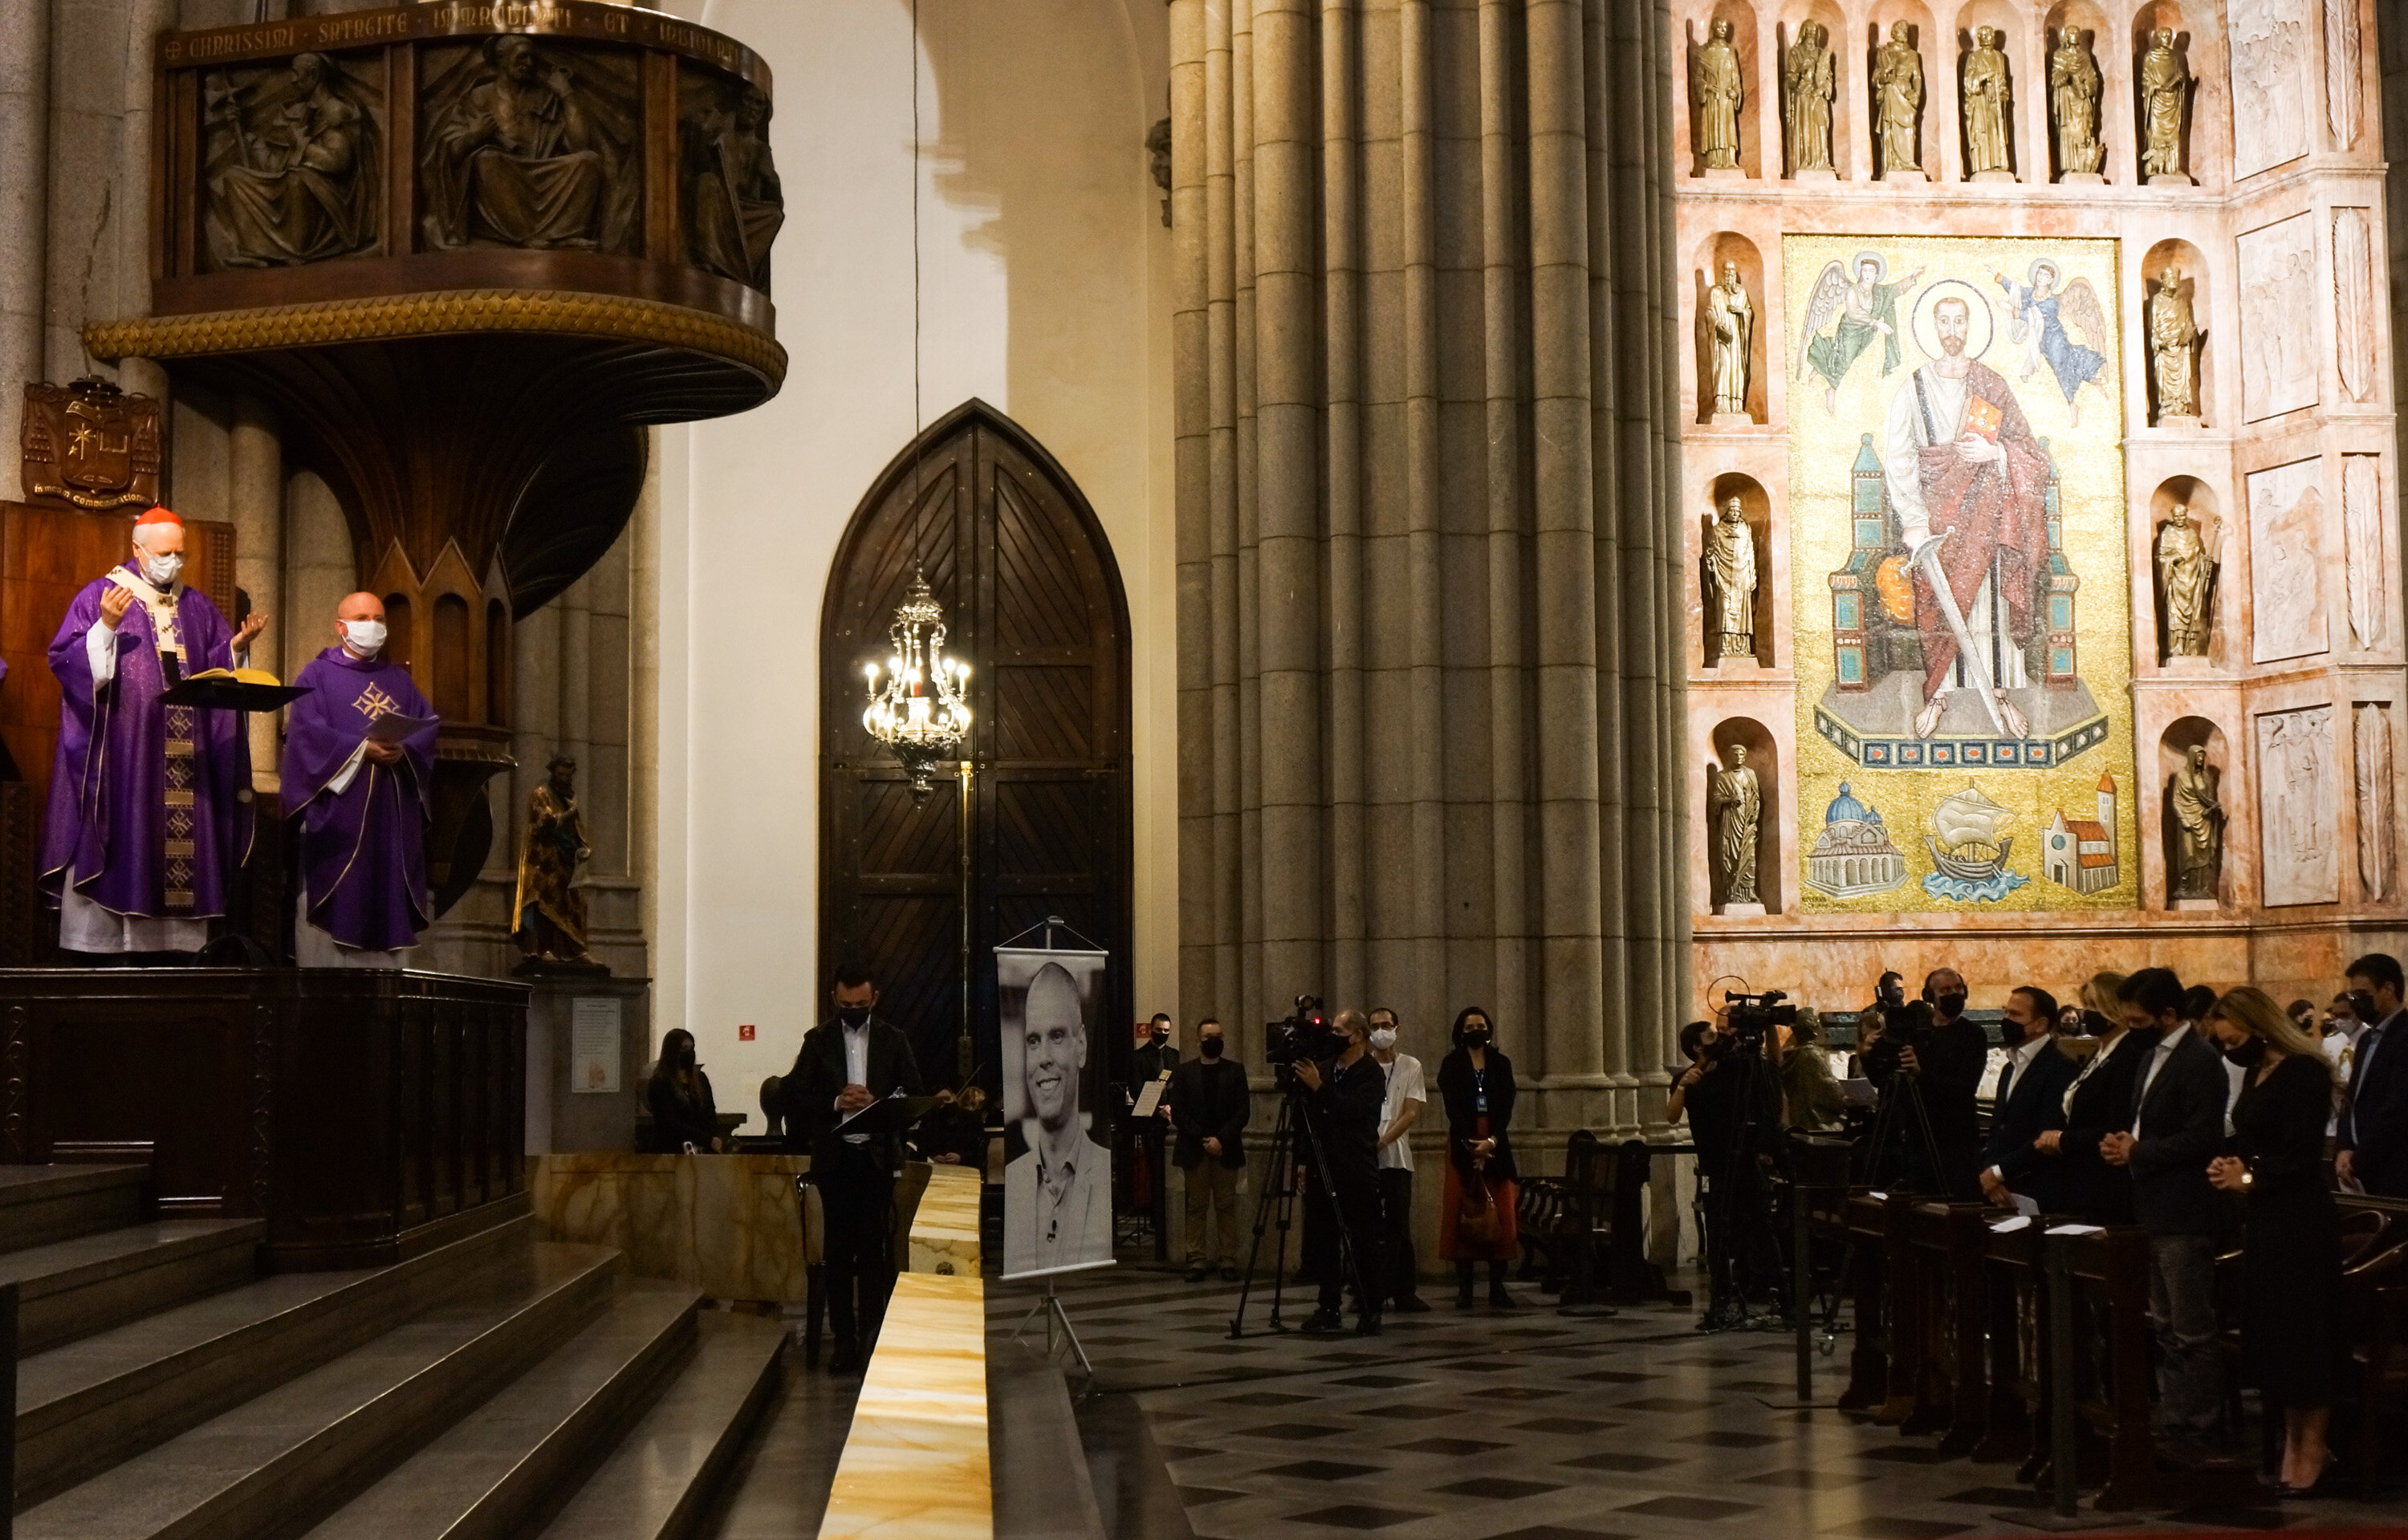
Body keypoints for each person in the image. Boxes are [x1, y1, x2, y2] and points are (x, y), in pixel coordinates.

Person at [41, 506, 262, 958]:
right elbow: (66, 662)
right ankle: (108, 951)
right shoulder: (101, 595)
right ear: (138, 549)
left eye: (180, 553)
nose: (174, 562)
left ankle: (175, 956)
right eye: (165, 553)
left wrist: (235, 652)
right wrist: (104, 626)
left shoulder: (198, 606)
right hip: (127, 756)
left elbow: (216, 675)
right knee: (128, 834)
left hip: (187, 761)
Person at [1882, 291, 2052, 742]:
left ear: (1970, 327)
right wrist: (1913, 518)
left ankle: (1996, 691)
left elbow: (2033, 456)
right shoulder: (1913, 386)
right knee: (1938, 602)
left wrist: (1995, 452)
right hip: (1935, 518)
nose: (1953, 331)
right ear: (1933, 329)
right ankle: (1936, 695)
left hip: (1987, 515)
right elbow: (1899, 458)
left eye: (1960, 321)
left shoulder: (1992, 385)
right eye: (1945, 322)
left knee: (1987, 605)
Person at [2204, 986, 2346, 1496]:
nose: (2229, 1048)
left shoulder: (2303, 1072)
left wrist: (2249, 1177)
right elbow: (2252, 1141)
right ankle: (2290, 1441)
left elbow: (2301, 1152)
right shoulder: (2257, 1072)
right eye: (2223, 1042)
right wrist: (2231, 1166)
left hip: (2302, 1222)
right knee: (2275, 1336)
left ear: (2261, 1026)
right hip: (2266, 1221)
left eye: (2235, 1038)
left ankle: (2315, 1446)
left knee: (2306, 1336)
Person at [2101, 966, 2229, 1450]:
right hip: (2151, 1206)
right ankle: (2178, 1418)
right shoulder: (2149, 1057)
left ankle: (2202, 1425)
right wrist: (2123, 1143)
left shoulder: (2199, 1061)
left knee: (2191, 1328)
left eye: (2138, 1021)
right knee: (2166, 1327)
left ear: (2169, 1014)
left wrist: (2140, 1152)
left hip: (2184, 1211)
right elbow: (2146, 1124)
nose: (2131, 1030)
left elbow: (2203, 1138)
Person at [779, 961, 925, 1374]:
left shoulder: (893, 1040)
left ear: (874, 999)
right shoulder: (819, 1040)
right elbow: (791, 1095)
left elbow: (913, 1091)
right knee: (838, 1253)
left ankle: (873, 1338)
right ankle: (843, 1341)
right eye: (846, 1004)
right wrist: (836, 1102)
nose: (854, 1010)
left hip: (876, 1160)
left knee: (875, 1252)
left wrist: (877, 1100)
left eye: (861, 1004)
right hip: (836, 1160)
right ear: (835, 1000)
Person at [282, 593, 438, 965]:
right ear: (341, 627)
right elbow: (306, 733)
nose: (374, 626)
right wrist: (360, 749)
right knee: (336, 916)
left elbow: (427, 727)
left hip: (391, 820)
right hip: (340, 820)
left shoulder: (399, 680)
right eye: (363, 617)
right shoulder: (316, 675)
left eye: (380, 618)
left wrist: (407, 750)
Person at [1003, 963, 1114, 1278]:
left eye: (1057, 1036)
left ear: (1081, 1045)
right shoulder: (1015, 1181)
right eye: (1033, 1041)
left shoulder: (1103, 1174)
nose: (1044, 1058)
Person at [1291, 1009, 1385, 1334]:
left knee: (1363, 1241)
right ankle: (1328, 1306)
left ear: (1357, 1035)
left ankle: (1371, 1308)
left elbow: (1356, 1113)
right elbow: (1310, 1120)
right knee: (1324, 1240)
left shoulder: (1370, 1073)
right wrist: (1303, 1160)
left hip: (1355, 1167)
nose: (1334, 1035)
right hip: (1323, 1164)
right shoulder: (1327, 1069)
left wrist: (1320, 1088)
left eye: (1340, 1030)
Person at [2038, 972, 2148, 1224]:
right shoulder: (2100, 1053)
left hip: (2105, 1179)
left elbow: (2115, 1124)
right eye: (2085, 1005)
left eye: (2093, 1006)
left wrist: (2063, 1139)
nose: (2087, 1013)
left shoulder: (2128, 1055)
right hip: (2083, 1175)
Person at [1438, 1007, 1521, 1310]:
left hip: (1496, 1142)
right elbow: (1452, 1106)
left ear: (1489, 1030)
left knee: (1500, 1214)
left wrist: (1493, 1141)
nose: (1477, 1030)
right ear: (1461, 1031)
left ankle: (1497, 1287)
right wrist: (1471, 1145)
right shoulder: (1451, 1064)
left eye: (1481, 1025)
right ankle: (1465, 1289)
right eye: (1470, 1026)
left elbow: (1507, 1104)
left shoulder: (1501, 1064)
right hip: (1464, 1143)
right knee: (1464, 1214)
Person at [1979, 985, 2078, 1212]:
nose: (2006, 1020)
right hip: (2000, 1189)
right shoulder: (2008, 1068)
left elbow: (2046, 1137)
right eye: (2006, 1013)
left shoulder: (2060, 1069)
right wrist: (1989, 1174)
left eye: (2015, 1015)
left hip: (2036, 1189)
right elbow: (1998, 1130)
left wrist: (1998, 1173)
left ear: (2041, 1024)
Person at [1169, 1018, 1248, 1282]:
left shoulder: (1235, 1071)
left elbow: (1242, 1112)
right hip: (1195, 1148)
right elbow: (1178, 1112)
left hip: (1226, 1148)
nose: (1214, 1041)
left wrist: (1220, 1139)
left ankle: (1227, 1258)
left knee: (1226, 1205)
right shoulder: (1183, 1072)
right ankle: (1197, 1259)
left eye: (1218, 1035)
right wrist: (1204, 1139)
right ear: (1198, 1039)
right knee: (1197, 1206)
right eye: (1208, 1037)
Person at [1901, 969, 1990, 1197]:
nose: (1954, 994)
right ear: (1929, 997)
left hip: (1956, 1139)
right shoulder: (1917, 1034)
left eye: (1958, 988)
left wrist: (1921, 1073)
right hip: (1919, 1137)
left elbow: (1964, 1088)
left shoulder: (1973, 1034)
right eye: (1946, 990)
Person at [1369, 1006, 1430, 1311]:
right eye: (1375, 1026)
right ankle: (1366, 1290)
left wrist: (1384, 1139)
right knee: (1366, 1227)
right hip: (1364, 1156)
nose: (1381, 1031)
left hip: (1395, 1156)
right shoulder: (1362, 1067)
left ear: (1396, 1028)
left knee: (1398, 1227)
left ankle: (1404, 1290)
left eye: (1386, 1025)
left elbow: (1411, 1112)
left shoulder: (1410, 1066)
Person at [2338, 953, 2408, 1197]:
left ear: (2388, 989)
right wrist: (2344, 1147)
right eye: (2353, 996)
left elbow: (2396, 1107)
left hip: (2393, 1165)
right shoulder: (2367, 1039)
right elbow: (2352, 1099)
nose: (2357, 1002)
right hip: (2360, 1162)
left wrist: (2361, 1156)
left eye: (2362, 995)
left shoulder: (2404, 1035)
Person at [645, 1028, 722, 1153]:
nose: (689, 1053)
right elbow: (668, 1121)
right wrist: (706, 1138)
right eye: (684, 1048)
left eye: (692, 1048)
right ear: (673, 1051)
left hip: (702, 1148)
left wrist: (713, 1137)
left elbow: (710, 1112)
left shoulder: (700, 1079)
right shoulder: (660, 1082)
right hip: (673, 1149)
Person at [1776, 1007, 1845, 1134]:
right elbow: (1832, 1090)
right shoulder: (1811, 1054)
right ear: (1813, 1029)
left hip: (1800, 1121)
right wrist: (1845, 1097)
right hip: (1817, 1123)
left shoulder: (1794, 1054)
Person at [909, 1085, 989, 1169]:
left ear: (954, 1097)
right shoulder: (929, 1121)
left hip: (965, 1170)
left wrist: (962, 1158)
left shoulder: (972, 1118)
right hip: (937, 1170)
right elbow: (922, 1149)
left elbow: (979, 1149)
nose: (945, 1104)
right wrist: (933, 1157)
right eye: (939, 1102)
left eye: (947, 1099)